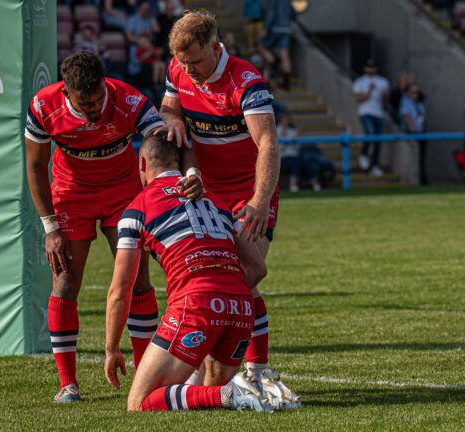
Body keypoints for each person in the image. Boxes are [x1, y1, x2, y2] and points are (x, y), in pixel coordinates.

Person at [24, 51, 200, 403]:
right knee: (65, 281)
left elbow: (169, 142)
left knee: (137, 280)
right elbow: (35, 166)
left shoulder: (129, 101)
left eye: (99, 98)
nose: (95, 109)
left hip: (123, 192)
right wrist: (50, 227)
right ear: (66, 93)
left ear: (105, 84)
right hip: (71, 194)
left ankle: (146, 376)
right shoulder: (43, 107)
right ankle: (67, 384)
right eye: (86, 104)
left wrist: (190, 172)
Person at [159, 11, 298, 401]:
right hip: (205, 191)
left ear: (216, 47)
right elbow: (169, 110)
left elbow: (268, 144)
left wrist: (259, 200)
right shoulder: (178, 69)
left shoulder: (246, 82)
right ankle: (208, 368)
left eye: (195, 61)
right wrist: (173, 122)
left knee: (242, 279)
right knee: (210, 279)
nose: (189, 70)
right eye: (183, 62)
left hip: (248, 193)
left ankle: (256, 370)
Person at [104, 134, 295, 412]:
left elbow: (121, 290)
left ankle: (231, 394)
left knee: (139, 401)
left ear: (142, 163)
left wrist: (111, 349)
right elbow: (257, 268)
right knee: (202, 390)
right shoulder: (216, 201)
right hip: (241, 309)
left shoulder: (136, 209)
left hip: (196, 306)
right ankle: (253, 384)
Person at [353, 59, 390, 176]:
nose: (371, 69)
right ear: (365, 69)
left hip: (378, 113)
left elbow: (386, 98)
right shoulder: (360, 82)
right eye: (369, 67)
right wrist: (369, 91)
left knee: (378, 140)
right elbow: (358, 99)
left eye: (373, 67)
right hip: (365, 112)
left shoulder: (382, 81)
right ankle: (363, 154)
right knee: (370, 133)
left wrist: (384, 95)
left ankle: (375, 165)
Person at [257, 0, 294, 89]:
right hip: (286, 28)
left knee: (262, 47)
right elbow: (293, 13)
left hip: (275, 27)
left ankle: (274, 63)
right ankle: (286, 83)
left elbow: (271, 13)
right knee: (284, 53)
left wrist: (265, 28)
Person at [400, 84, 429, 186]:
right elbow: (407, 115)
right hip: (412, 133)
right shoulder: (405, 102)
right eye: (412, 92)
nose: (415, 94)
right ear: (407, 93)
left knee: (421, 158)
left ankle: (422, 179)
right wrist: (411, 127)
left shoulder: (419, 103)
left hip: (421, 132)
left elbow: (422, 116)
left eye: (416, 92)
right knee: (414, 158)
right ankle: (414, 180)